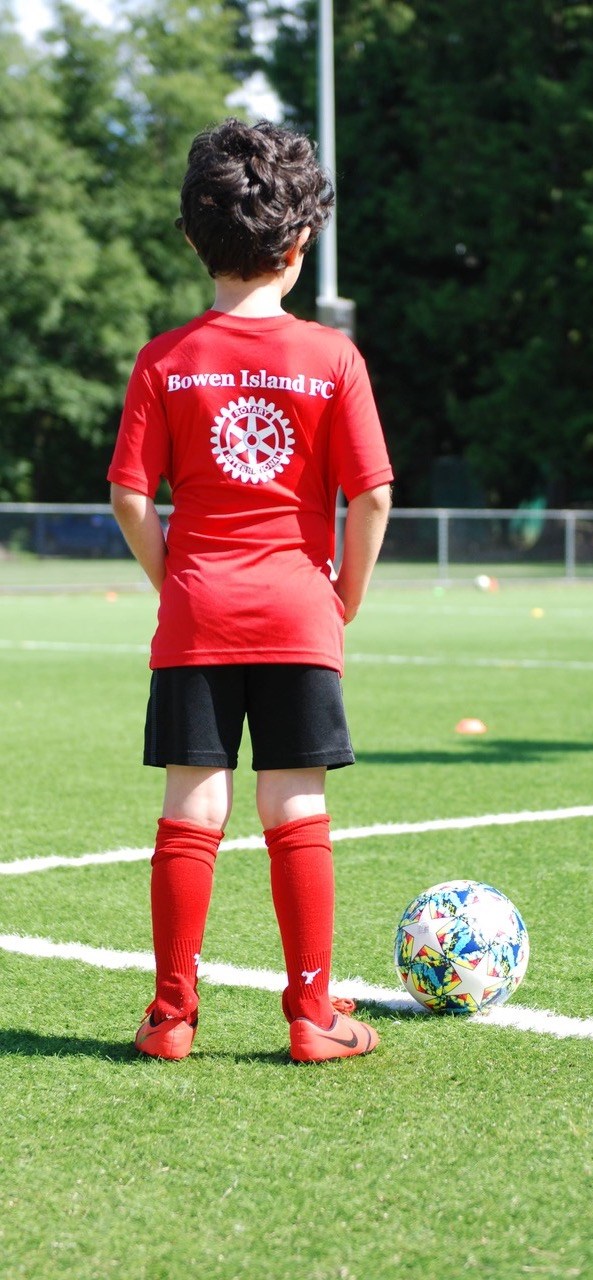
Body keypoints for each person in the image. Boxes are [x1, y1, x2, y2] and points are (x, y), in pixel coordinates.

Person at [108, 118, 393, 1064]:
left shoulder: (165, 358)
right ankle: (312, 1015)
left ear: (194, 238)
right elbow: (372, 495)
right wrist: (341, 595)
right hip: (297, 612)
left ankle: (171, 1018)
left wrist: (173, 582)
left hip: (198, 611)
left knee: (191, 809)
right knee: (295, 807)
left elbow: (128, 493)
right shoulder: (333, 357)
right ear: (302, 242)